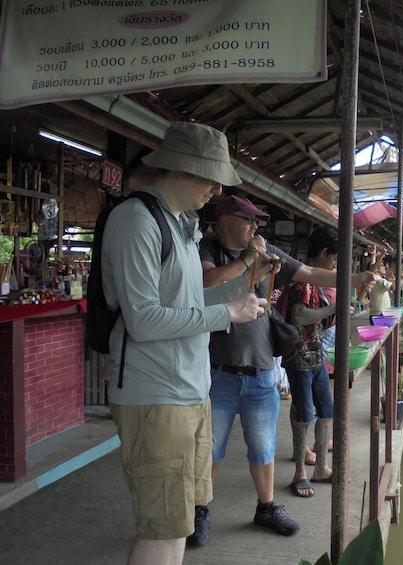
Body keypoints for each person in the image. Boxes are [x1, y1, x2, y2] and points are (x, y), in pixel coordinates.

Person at [103, 122, 274, 565]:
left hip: (190, 391)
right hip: (155, 396)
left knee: (179, 522)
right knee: (162, 527)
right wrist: (226, 314)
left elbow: (188, 300)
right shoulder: (135, 221)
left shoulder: (182, 227)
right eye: (208, 175)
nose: (215, 188)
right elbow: (143, 320)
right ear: (178, 170)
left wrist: (236, 300)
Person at [196, 196, 376, 543]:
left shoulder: (269, 251)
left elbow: (307, 272)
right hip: (217, 371)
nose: (253, 227)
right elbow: (208, 284)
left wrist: (352, 279)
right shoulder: (208, 249)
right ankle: (200, 510)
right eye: (245, 219)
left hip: (262, 369)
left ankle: (266, 507)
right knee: (210, 450)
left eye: (256, 222)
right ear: (223, 220)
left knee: (263, 448)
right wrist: (249, 260)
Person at [281, 228, 343, 497]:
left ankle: (321, 468)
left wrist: (337, 312)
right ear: (323, 253)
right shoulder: (302, 281)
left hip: (316, 357)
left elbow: (320, 319)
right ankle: (299, 473)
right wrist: (333, 309)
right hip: (299, 358)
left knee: (327, 411)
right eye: (334, 259)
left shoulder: (315, 282)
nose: (335, 265)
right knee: (305, 414)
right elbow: (298, 315)